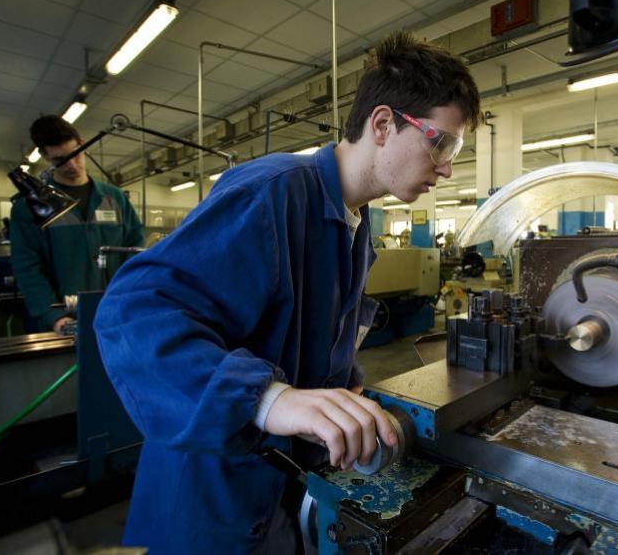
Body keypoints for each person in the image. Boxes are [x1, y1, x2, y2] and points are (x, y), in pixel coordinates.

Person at [93, 30, 481, 553]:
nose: (447, 166)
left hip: (282, 486)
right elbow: (132, 313)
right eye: (441, 142)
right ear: (384, 124)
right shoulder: (272, 192)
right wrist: (267, 398)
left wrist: (347, 400)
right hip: (218, 491)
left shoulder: (354, 223)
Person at [10, 115, 144, 333]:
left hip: (117, 313)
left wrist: (132, 298)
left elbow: (135, 249)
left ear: (82, 143)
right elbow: (28, 267)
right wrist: (52, 315)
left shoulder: (115, 198)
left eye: (76, 154)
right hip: (65, 320)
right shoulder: (29, 208)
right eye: (60, 160)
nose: (72, 165)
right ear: (45, 156)